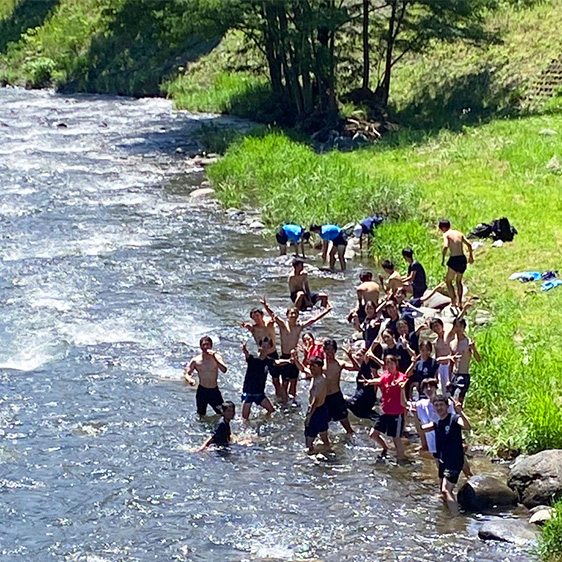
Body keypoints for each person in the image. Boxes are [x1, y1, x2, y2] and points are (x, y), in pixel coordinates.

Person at [261, 298, 332, 402]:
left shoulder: (299, 326)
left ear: (298, 315)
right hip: (285, 356)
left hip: (294, 358)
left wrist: (326, 311)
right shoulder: (283, 325)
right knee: (285, 382)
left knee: (294, 381)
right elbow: (273, 315)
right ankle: (284, 401)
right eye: (291, 313)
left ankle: (292, 401)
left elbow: (313, 320)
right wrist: (265, 306)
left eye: (295, 313)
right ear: (287, 315)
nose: (293, 315)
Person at [430, 393, 472, 515]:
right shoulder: (438, 423)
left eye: (441, 405)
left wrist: (460, 412)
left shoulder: (454, 418)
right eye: (436, 405)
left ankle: (456, 519)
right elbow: (424, 428)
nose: (439, 408)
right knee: (442, 492)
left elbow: (468, 426)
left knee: (446, 490)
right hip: (443, 461)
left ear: (447, 406)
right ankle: (446, 513)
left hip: (454, 461)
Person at [362, 355, 408, 460]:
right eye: (388, 363)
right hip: (385, 412)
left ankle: (402, 459)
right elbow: (379, 380)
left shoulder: (401, 376)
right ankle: (385, 447)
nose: (390, 365)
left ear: (396, 364)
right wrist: (369, 382)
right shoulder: (385, 376)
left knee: (396, 439)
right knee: (373, 434)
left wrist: (399, 384)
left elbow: (402, 381)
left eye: (392, 363)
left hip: (397, 413)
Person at [240, 307, 283, 400]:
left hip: (272, 354)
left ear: (262, 316)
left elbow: (274, 317)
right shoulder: (253, 328)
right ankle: (258, 396)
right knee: (258, 378)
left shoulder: (269, 324)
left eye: (257, 316)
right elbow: (247, 327)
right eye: (253, 317)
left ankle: (279, 398)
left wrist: (266, 306)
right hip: (261, 356)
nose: (256, 318)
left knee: (276, 380)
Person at [294, 355, 331, 453]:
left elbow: (316, 400)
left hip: (317, 410)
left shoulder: (320, 381)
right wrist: (296, 360)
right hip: (322, 409)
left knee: (308, 440)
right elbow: (303, 369)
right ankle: (327, 451)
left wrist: (309, 416)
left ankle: (312, 456)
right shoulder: (316, 376)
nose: (311, 369)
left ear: (320, 367)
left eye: (313, 366)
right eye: (310, 366)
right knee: (324, 435)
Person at [184, 336, 228, 416]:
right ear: (200, 346)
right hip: (202, 391)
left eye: (207, 345)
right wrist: (190, 380)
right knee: (201, 415)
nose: (205, 347)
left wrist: (214, 357)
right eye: (203, 345)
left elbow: (224, 369)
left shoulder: (217, 357)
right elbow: (187, 373)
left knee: (222, 413)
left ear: (211, 346)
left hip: (214, 391)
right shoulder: (196, 360)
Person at [321, 339, 356, 434]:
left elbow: (356, 367)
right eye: (327, 349)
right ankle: (327, 444)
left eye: (332, 349)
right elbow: (307, 371)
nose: (330, 352)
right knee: (323, 425)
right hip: (324, 397)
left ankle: (351, 441)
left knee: (345, 423)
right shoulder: (320, 364)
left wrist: (350, 356)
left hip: (336, 396)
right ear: (324, 350)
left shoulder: (340, 363)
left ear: (335, 351)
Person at [439, 219, 474, 309]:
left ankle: (453, 301)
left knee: (448, 281)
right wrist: (471, 256)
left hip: (454, 259)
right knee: (458, 282)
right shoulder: (459, 233)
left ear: (442, 228)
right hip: (462, 259)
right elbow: (469, 244)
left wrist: (443, 258)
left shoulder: (446, 234)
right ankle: (460, 303)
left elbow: (446, 246)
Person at [241, 339, 276, 420]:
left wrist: (288, 361)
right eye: (264, 346)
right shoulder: (253, 358)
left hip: (259, 393)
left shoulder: (268, 360)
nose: (265, 349)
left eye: (267, 347)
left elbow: (277, 362)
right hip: (248, 392)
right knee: (244, 418)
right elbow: (247, 354)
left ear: (270, 348)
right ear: (260, 347)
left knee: (271, 410)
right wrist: (244, 349)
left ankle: (263, 420)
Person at [448, 318, 481, 403]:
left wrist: (474, 349)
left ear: (464, 328)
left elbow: (478, 359)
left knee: (457, 398)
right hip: (454, 375)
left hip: (463, 375)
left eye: (461, 326)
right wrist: (448, 379)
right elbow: (451, 363)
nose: (458, 329)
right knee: (451, 401)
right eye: (456, 326)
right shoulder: (452, 343)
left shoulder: (468, 342)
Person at [346, 342, 379, 422]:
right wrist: (350, 356)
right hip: (363, 399)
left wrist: (373, 345)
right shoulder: (361, 368)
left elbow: (376, 384)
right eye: (356, 355)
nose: (357, 357)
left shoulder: (367, 368)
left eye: (359, 355)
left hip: (362, 400)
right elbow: (356, 366)